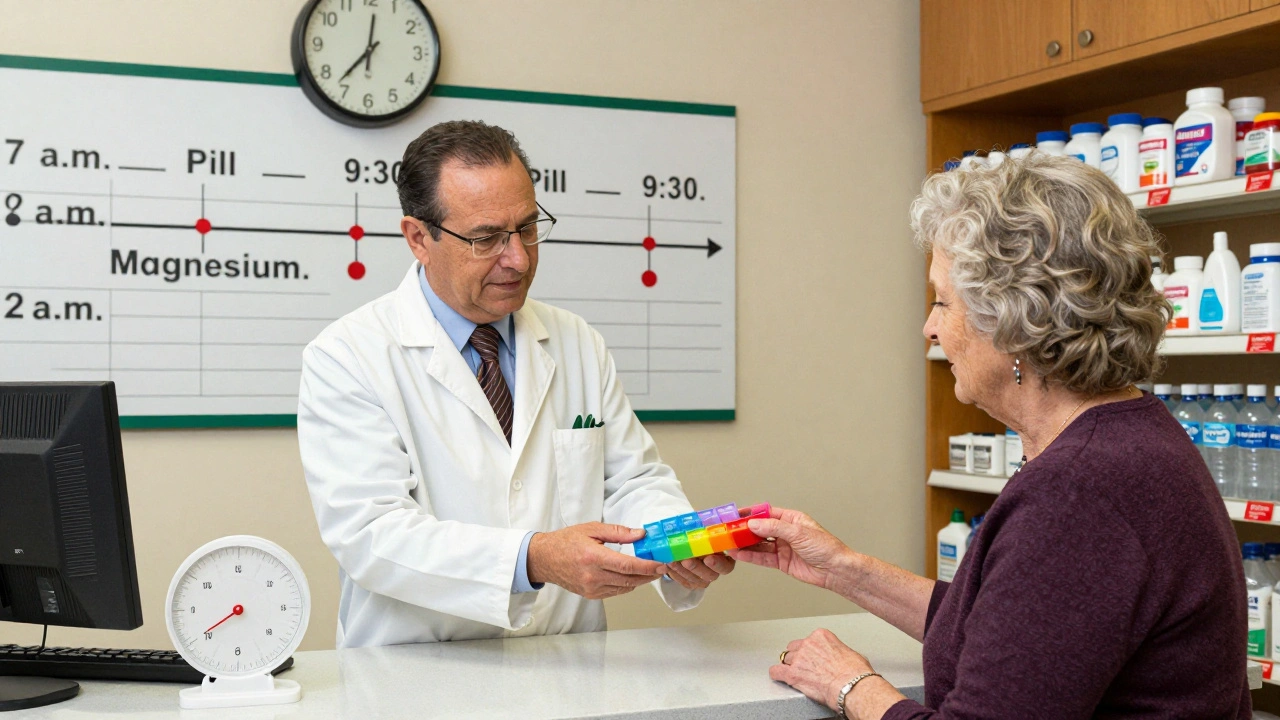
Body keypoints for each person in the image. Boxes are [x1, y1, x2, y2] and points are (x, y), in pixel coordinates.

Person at [728, 153, 1249, 718]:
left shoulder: (1080, 493)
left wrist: (853, 686)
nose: (928, 326)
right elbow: (1019, 636)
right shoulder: (1127, 434)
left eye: (943, 301)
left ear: (1014, 320)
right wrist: (842, 568)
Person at [297, 120, 733, 648]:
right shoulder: (348, 356)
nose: (519, 259)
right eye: (486, 239)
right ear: (418, 238)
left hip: (568, 664)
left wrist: (675, 540)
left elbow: (630, 481)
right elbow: (372, 535)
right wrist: (534, 558)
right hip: (417, 678)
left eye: (527, 228)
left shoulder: (576, 342)